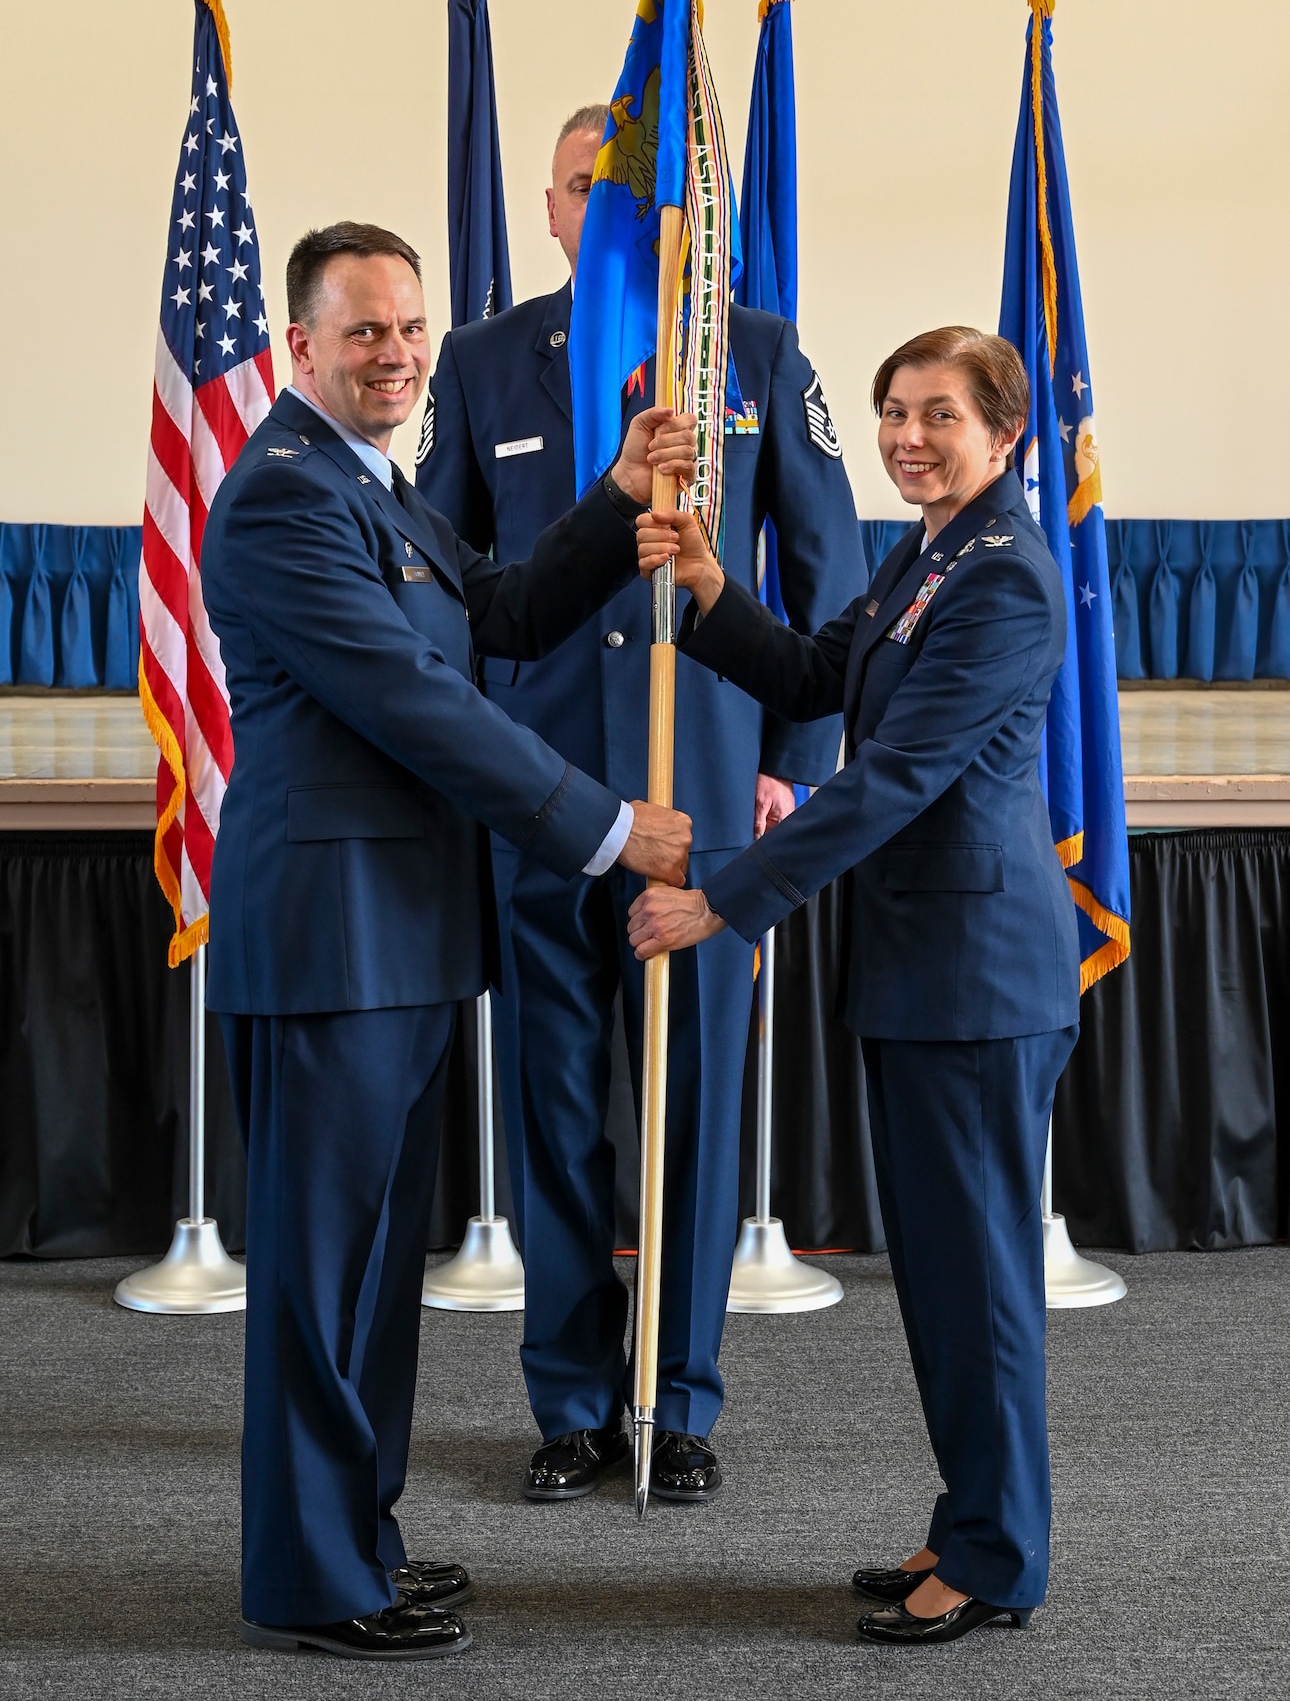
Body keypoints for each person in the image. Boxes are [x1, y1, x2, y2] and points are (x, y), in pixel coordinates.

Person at [202, 221, 696, 1662]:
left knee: (372, 1275)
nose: (398, 354)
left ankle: (359, 1537)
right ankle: (306, 1574)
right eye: (363, 331)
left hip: (408, 937)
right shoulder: (285, 500)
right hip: (332, 943)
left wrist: (610, 499)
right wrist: (605, 829)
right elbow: (418, 706)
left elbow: (500, 613)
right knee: (320, 1270)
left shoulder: (389, 494)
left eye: (410, 329)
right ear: (299, 346)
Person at [416, 108, 865, 1504]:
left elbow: (832, 568)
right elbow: (437, 571)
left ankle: (676, 1400)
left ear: (688, 212)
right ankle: (568, 1402)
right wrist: (469, 744)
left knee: (690, 1111)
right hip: (541, 792)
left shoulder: (756, 350)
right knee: (557, 1107)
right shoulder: (483, 364)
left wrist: (792, 753)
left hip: (711, 794)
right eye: (583, 192)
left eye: (646, 195)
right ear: (551, 211)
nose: (613, 215)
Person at [630, 326, 1080, 1646]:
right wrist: (713, 590)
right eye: (891, 412)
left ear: (1006, 434)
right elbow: (822, 679)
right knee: (942, 1273)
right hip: (924, 975)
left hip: (977, 982)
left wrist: (724, 891)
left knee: (978, 1277)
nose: (903, 437)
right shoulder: (929, 550)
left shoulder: (1004, 578)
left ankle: (997, 1556)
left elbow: (889, 780)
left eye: (937, 415)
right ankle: (972, 1519)